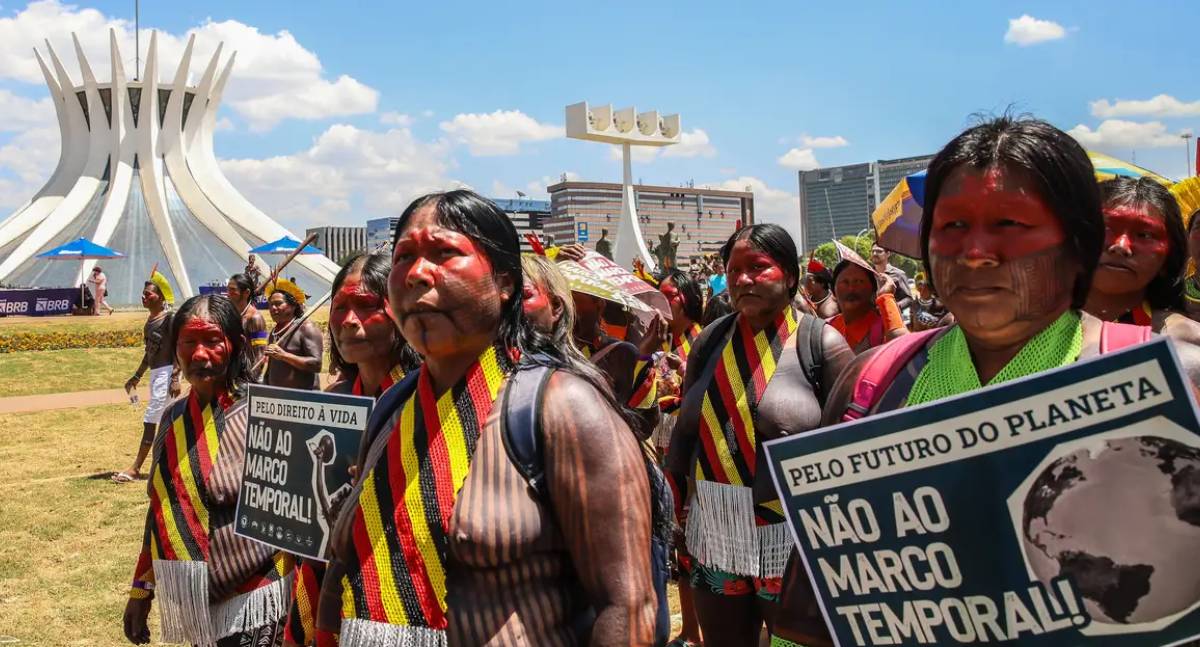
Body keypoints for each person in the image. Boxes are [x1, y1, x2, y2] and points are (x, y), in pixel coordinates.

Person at [804, 116, 1200, 645]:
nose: (975, 252)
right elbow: (817, 605)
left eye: (1010, 225)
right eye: (952, 226)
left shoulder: (1174, 378)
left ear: (1078, 243)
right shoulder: (872, 379)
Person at [318, 190, 656, 645]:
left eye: (444, 253)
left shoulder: (562, 407)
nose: (418, 274)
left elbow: (628, 605)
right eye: (404, 257)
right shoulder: (392, 409)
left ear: (504, 282)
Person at [666, 223, 853, 647]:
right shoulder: (711, 340)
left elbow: (844, 447)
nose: (742, 279)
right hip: (715, 528)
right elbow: (684, 434)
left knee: (798, 641)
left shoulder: (822, 344)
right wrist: (671, 503)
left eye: (758, 267)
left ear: (789, 275)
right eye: (733, 271)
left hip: (789, 532)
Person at [123, 294, 293, 646]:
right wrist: (142, 588)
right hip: (198, 604)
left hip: (260, 603)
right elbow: (161, 509)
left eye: (213, 341)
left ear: (236, 345)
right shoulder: (172, 418)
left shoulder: (266, 415)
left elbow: (296, 522)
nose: (200, 355)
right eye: (189, 342)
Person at [284, 252, 419, 647]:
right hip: (328, 587)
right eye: (339, 307)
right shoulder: (334, 402)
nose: (348, 320)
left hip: (401, 592)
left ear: (399, 311)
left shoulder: (424, 400)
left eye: (365, 306)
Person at [1084, 177, 1200, 343]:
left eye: (1144, 235)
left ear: (1168, 258)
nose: (1121, 246)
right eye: (1106, 229)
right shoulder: (1039, 325)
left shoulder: (1186, 345)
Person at [113, 274, 181, 484]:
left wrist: (176, 377)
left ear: (160, 298)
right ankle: (171, 465)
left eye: (148, 294)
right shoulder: (150, 322)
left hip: (167, 373)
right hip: (156, 374)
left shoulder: (169, 319)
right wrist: (137, 376)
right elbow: (150, 352)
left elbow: (178, 348)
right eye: (143, 294)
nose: (144, 297)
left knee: (151, 419)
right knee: (168, 420)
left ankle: (136, 468)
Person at [828, 257, 908, 353]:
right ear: (833, 290)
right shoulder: (827, 328)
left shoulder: (885, 327)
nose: (851, 289)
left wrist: (886, 296)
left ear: (873, 290)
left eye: (859, 282)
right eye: (845, 282)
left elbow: (904, 348)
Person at [263, 278, 323, 390]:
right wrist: (265, 385)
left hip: (302, 400)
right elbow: (271, 366)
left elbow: (316, 364)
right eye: (270, 304)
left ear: (293, 305)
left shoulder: (306, 328)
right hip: (276, 399)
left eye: (278, 304)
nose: (273, 308)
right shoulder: (275, 332)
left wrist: (284, 355)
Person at [227, 273, 267, 367]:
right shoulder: (230, 314)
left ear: (246, 293)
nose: (228, 294)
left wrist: (250, 378)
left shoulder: (255, 319)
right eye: (228, 290)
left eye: (233, 290)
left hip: (247, 373)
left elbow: (260, 354)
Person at [869, 244, 913, 311]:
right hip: (872, 318)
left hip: (892, 317)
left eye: (879, 251)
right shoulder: (868, 274)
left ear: (888, 254)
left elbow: (909, 299)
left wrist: (894, 306)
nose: (875, 254)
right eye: (873, 251)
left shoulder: (899, 274)